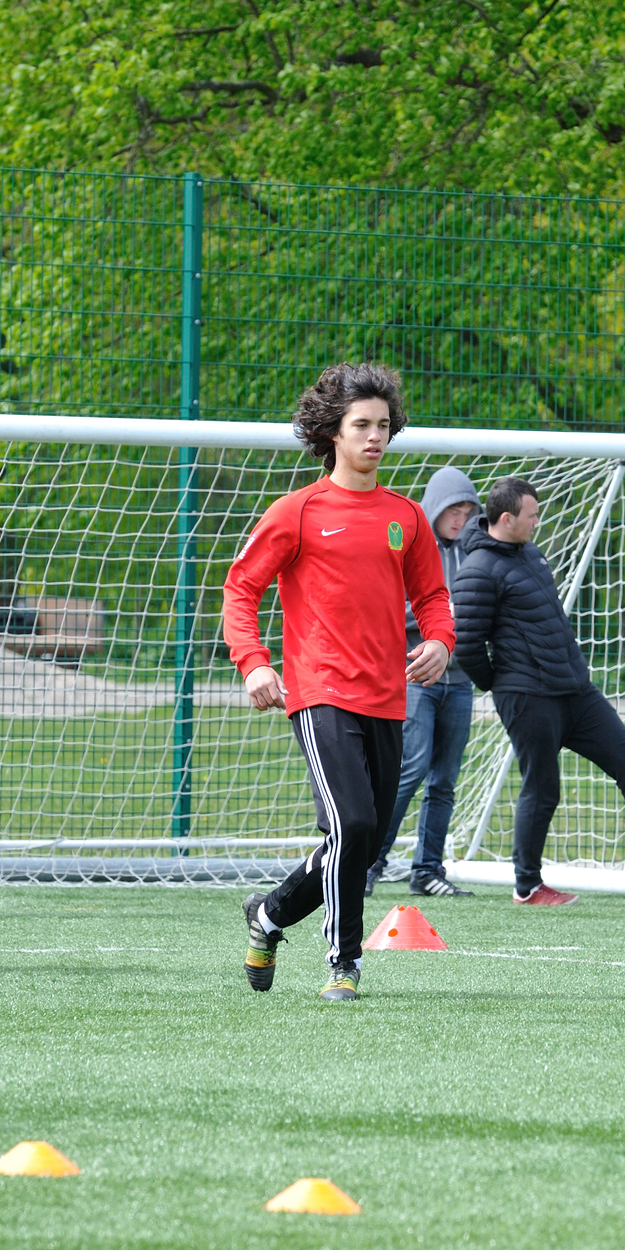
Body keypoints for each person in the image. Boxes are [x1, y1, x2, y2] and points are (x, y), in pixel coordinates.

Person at [223, 363, 454, 1002]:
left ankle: (267, 916)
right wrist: (255, 662)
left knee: (360, 839)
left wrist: (439, 640)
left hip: (388, 695)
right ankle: (343, 963)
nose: (374, 437)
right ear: (332, 433)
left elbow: (433, 596)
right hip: (319, 691)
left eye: (383, 425)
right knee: (353, 823)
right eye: (361, 426)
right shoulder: (297, 512)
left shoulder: (405, 517)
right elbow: (241, 589)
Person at [452, 476, 625, 905]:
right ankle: (527, 887)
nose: (538, 521)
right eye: (532, 515)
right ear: (506, 518)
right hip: (527, 696)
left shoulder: (530, 554)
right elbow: (466, 645)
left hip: (574, 690)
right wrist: (500, 682)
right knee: (543, 787)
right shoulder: (478, 570)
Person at [366, 466, 480, 899]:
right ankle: (370, 864)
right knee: (408, 770)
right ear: (434, 508)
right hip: (415, 675)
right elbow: (394, 606)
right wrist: (442, 622)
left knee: (445, 780)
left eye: (468, 510)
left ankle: (428, 870)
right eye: (454, 509)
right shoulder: (411, 547)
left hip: (461, 681)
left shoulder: (474, 551)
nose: (461, 517)